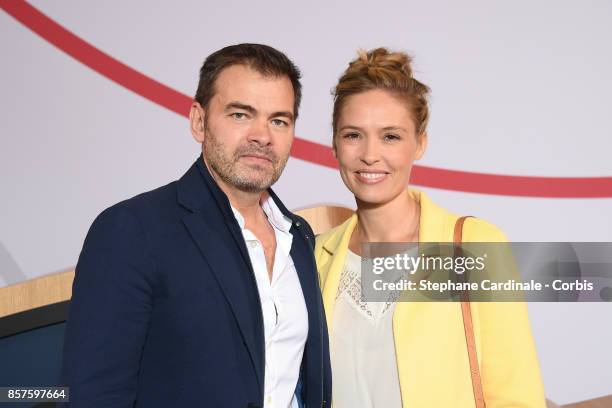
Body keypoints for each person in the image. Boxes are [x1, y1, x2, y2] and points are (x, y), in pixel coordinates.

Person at [61, 43, 331, 408]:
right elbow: (91, 396)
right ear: (199, 121)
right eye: (240, 114)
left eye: (278, 120)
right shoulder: (133, 231)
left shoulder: (297, 238)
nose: (262, 135)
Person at [314, 48, 546, 407]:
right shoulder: (315, 255)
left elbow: (517, 395)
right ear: (334, 143)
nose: (370, 154)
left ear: (419, 143)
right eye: (353, 135)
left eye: (390, 136)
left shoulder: (474, 245)